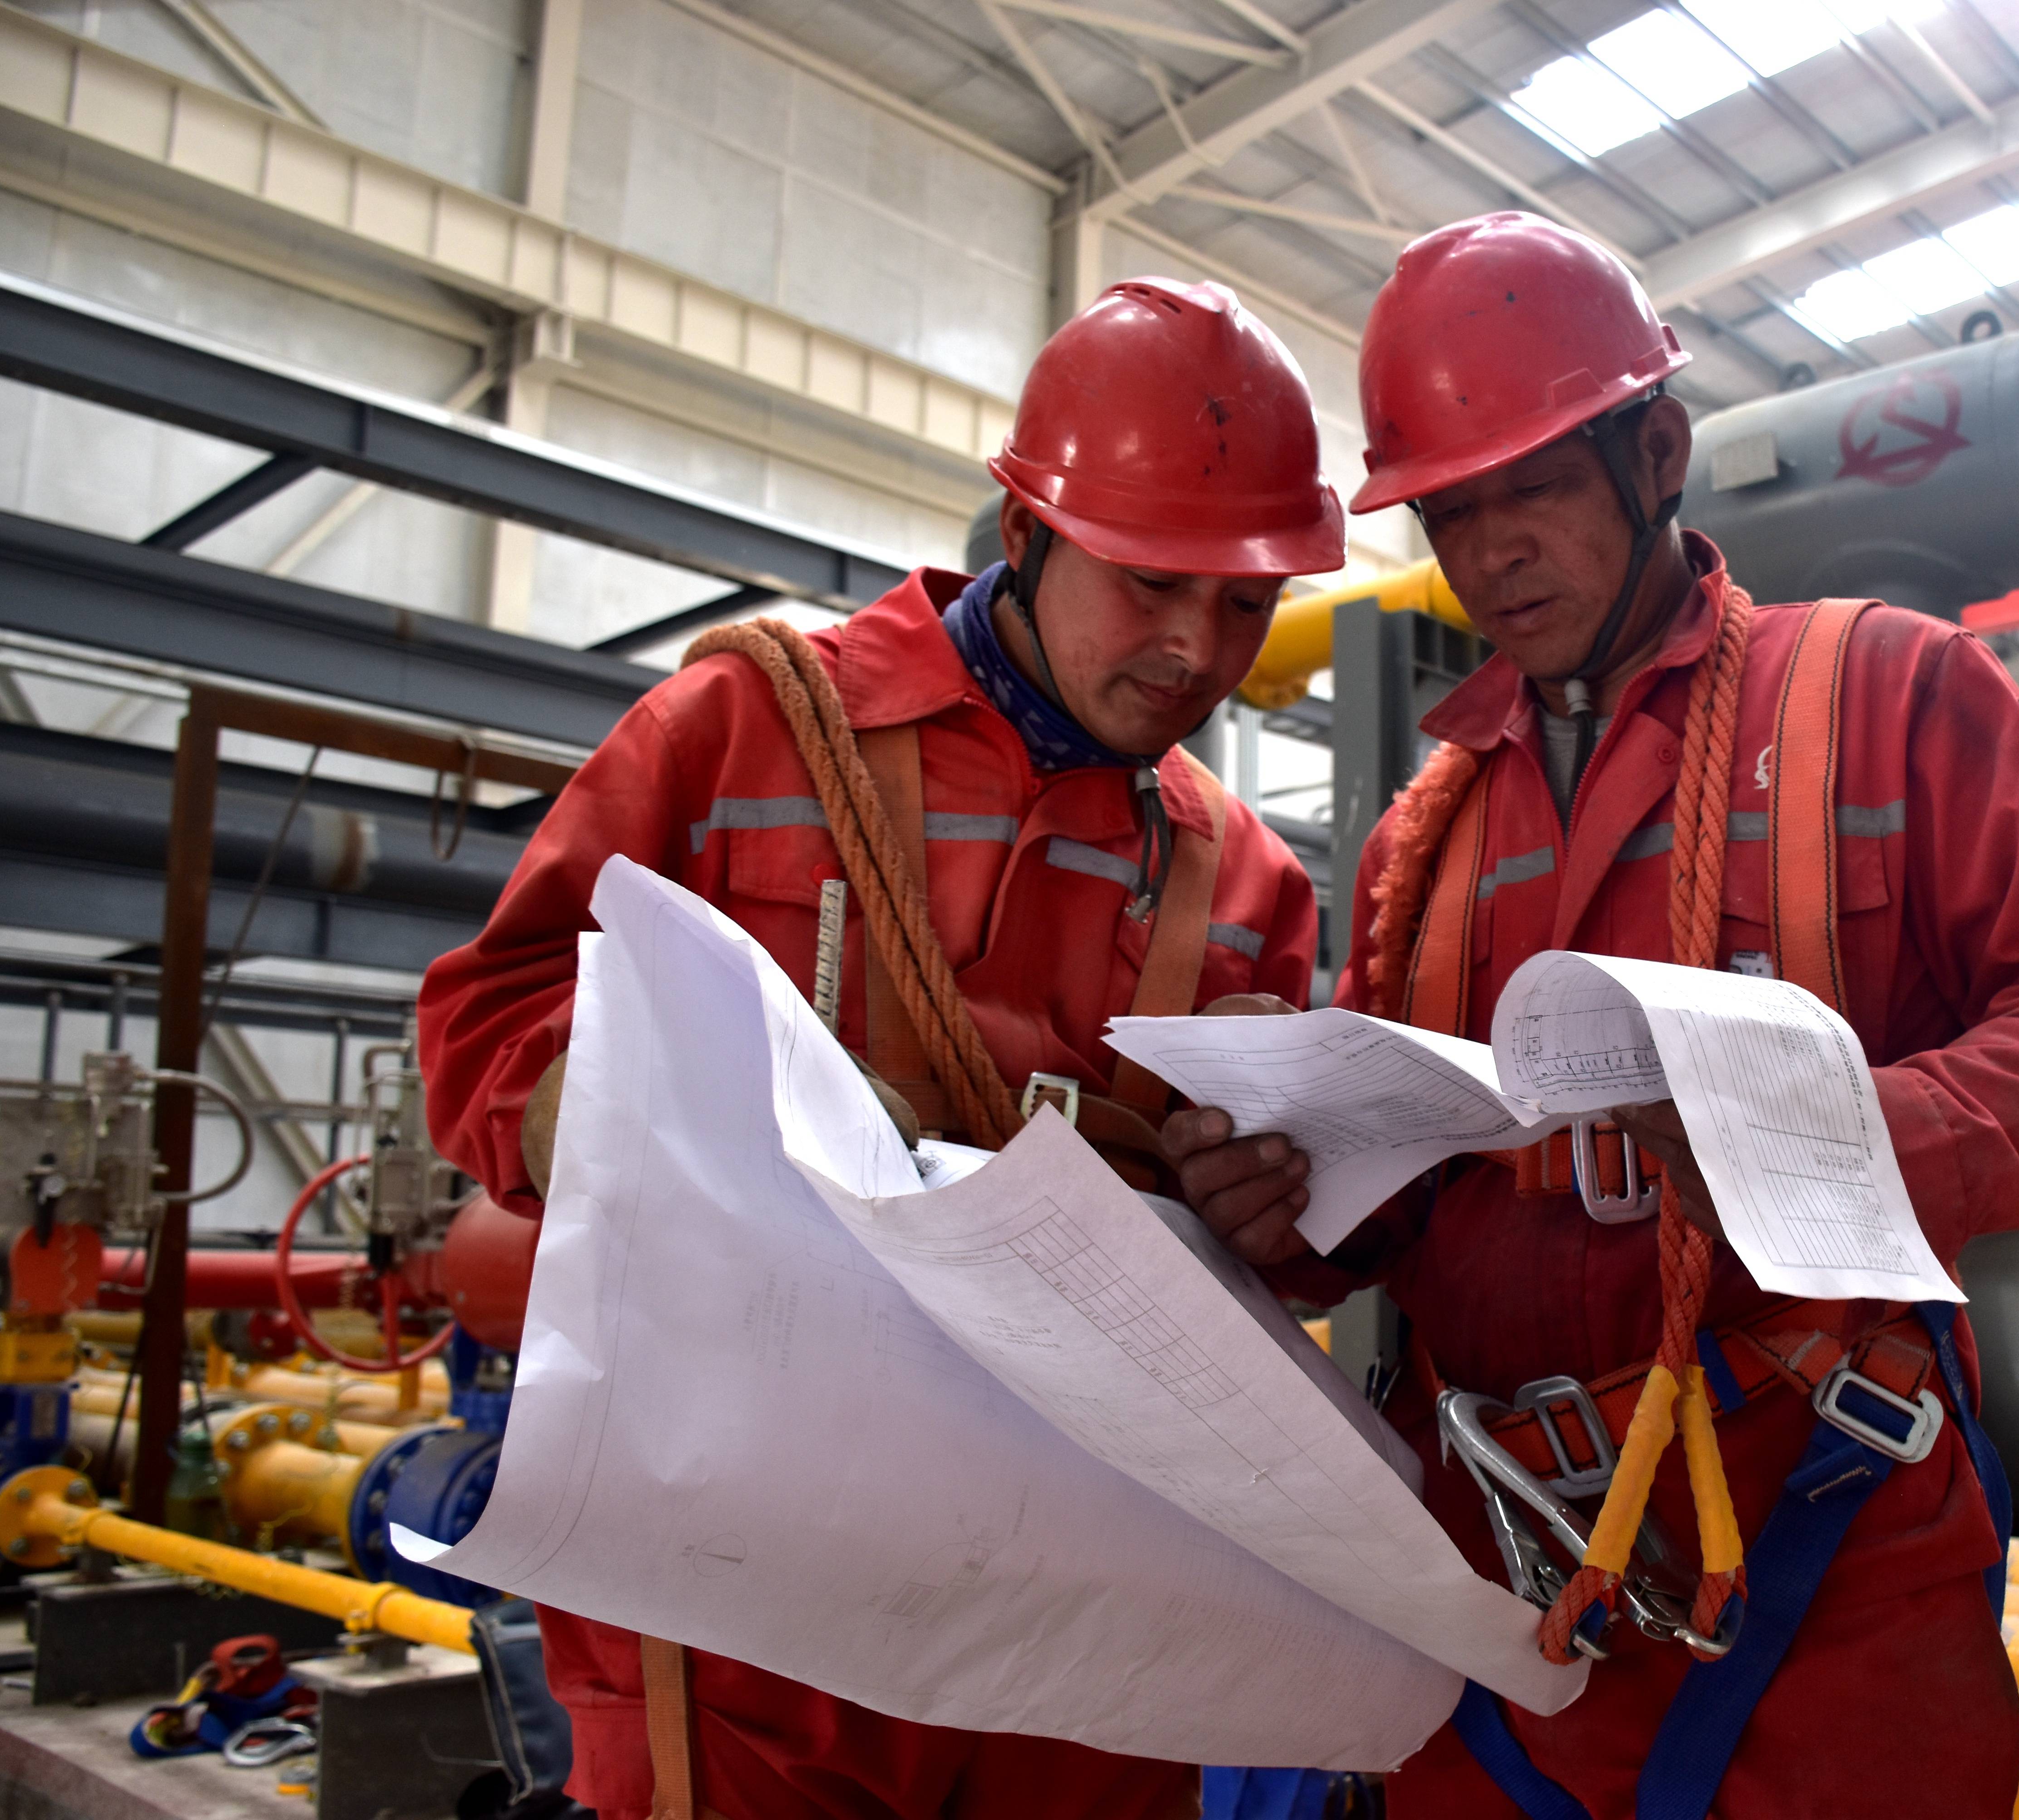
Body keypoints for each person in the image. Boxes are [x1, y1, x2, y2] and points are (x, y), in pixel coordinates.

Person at [1162, 212, 2019, 1817]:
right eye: (1451, 512)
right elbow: (1389, 1203)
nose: (1491, 551)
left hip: (1816, 1545)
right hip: (1500, 1575)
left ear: (1656, 453)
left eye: (1536, 492)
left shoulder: (1886, 698)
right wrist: (1283, 1214)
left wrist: (1837, 1147)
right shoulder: (1423, 838)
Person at [418, 276, 1343, 1820]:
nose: (1197, 650)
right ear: (1028, 532)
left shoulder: (1246, 881)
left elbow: (1288, 1269)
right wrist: (637, 1105)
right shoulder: (744, 729)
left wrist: (1287, 1206)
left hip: (1088, 1621)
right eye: (1149, 584)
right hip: (740, 1612)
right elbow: (484, 1018)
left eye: (1243, 603)